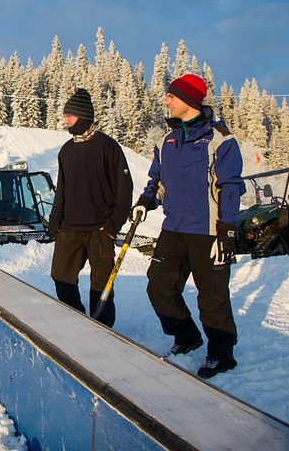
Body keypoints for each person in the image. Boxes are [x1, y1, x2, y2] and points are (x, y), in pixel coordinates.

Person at [131, 73, 245, 379]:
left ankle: (221, 355)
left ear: (189, 100)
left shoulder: (220, 139)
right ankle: (186, 336)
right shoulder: (168, 141)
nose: (165, 100)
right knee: (158, 285)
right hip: (175, 227)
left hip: (208, 231)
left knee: (212, 295)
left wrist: (228, 230)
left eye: (171, 96)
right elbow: (157, 180)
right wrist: (145, 200)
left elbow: (230, 186)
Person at [48, 88, 133, 327]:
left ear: (83, 116)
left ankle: (102, 330)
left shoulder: (107, 147)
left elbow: (124, 188)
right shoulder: (66, 150)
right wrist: (56, 222)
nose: (65, 120)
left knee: (101, 286)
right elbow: (62, 189)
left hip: (100, 230)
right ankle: (78, 324)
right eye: (65, 116)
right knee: (61, 279)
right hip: (69, 230)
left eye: (69, 116)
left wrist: (113, 226)